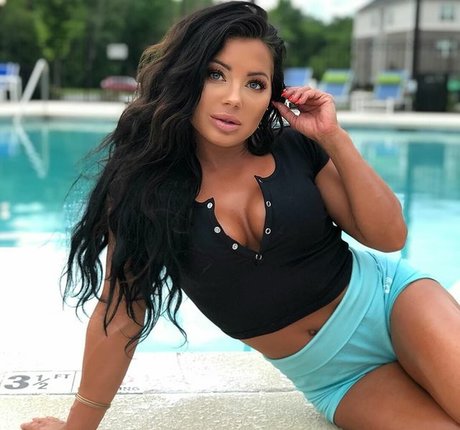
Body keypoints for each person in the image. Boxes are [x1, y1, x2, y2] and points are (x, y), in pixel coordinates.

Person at [21, 2, 460, 429]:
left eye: (255, 83)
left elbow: (389, 236)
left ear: (271, 95)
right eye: (216, 74)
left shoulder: (294, 149)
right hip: (337, 378)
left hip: (393, 303)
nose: (234, 98)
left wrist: (334, 139)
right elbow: (121, 315)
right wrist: (78, 427)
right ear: (186, 76)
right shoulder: (145, 194)